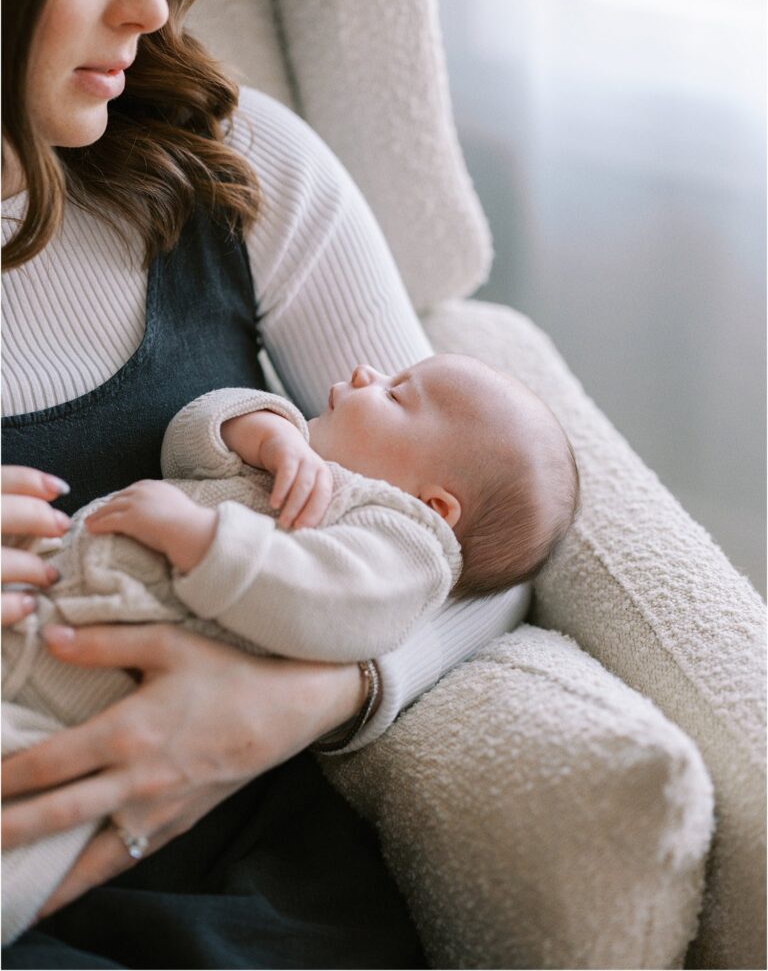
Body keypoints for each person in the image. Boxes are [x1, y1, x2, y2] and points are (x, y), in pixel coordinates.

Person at [1, 0, 526, 966]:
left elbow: (471, 534)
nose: (149, 5)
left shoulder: (233, 161)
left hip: (255, 889)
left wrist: (282, 707)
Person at [4, 354, 579, 943]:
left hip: (78, 712)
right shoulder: (302, 458)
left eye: (397, 394)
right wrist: (264, 432)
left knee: (25, 830)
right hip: (35, 609)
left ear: (436, 508)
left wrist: (200, 539)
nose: (364, 372)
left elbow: (328, 601)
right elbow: (188, 443)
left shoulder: (403, 543)